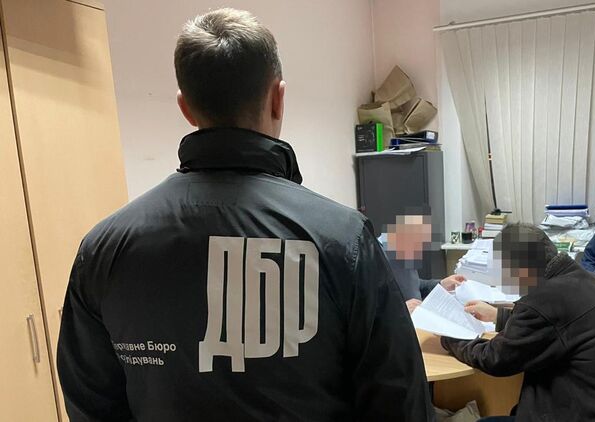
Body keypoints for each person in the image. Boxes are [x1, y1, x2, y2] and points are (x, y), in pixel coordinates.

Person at [56, 9, 433, 422]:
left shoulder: (104, 249)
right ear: (277, 98)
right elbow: (400, 403)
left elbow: (91, 405)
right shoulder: (342, 239)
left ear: (185, 107)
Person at [442, 224, 595, 421]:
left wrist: (450, 336)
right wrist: (500, 317)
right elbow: (558, 327)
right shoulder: (583, 280)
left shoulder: (542, 300)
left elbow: (495, 359)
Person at [378, 211, 465, 312]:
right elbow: (366, 310)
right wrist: (400, 309)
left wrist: (441, 284)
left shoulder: (404, 250)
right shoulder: (375, 257)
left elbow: (414, 285)